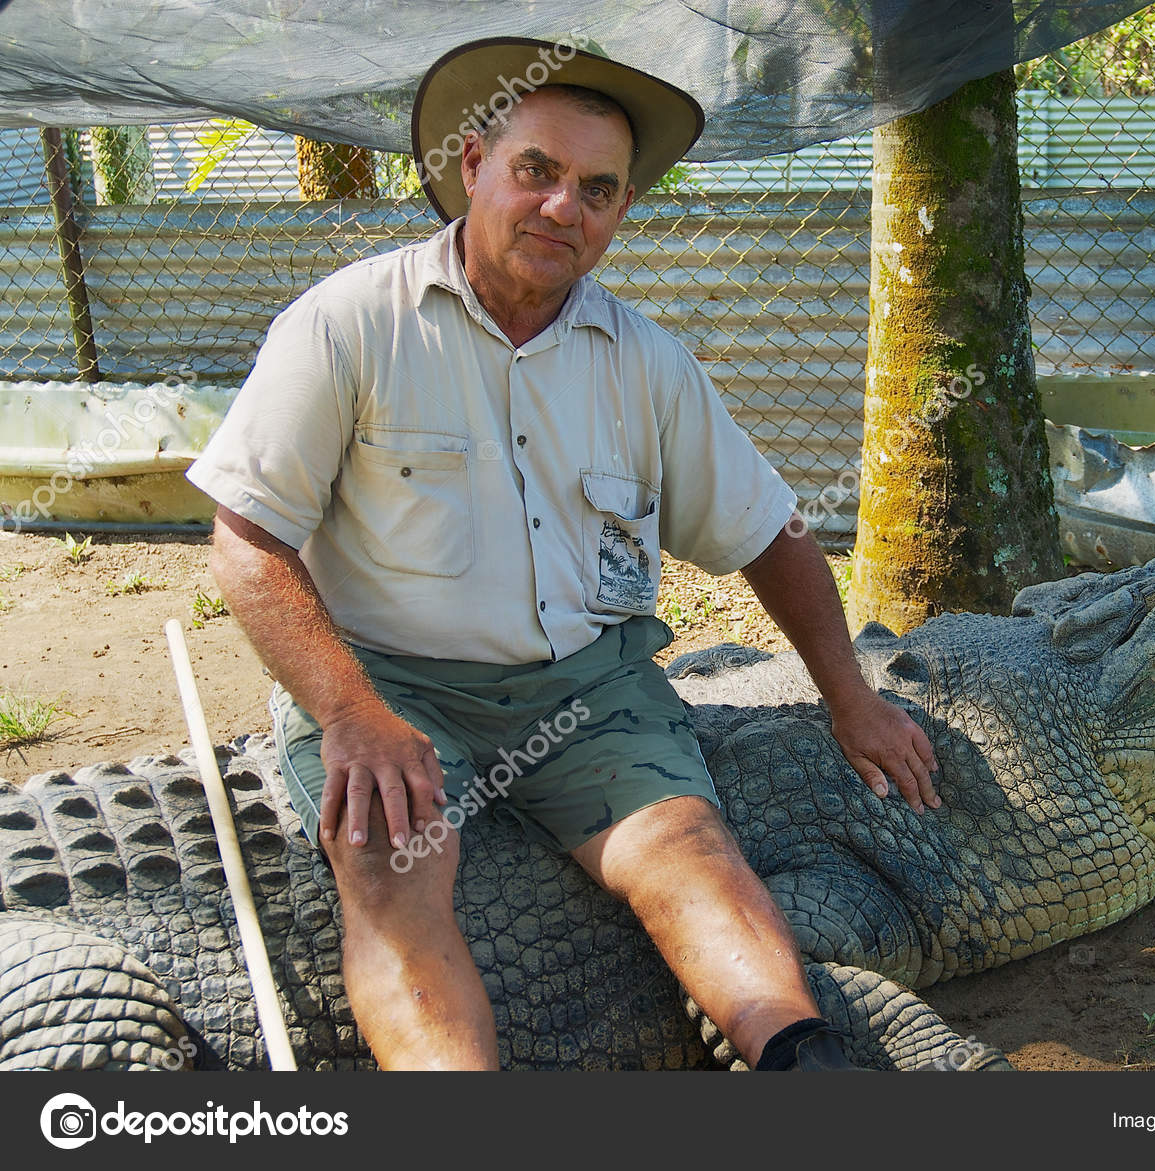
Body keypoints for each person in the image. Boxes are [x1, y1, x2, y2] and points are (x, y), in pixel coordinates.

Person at [186, 37, 940, 1071]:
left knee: (684, 845)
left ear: (620, 210)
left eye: (595, 188)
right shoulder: (348, 325)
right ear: (473, 169)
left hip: (588, 689)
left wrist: (849, 694)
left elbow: (771, 532)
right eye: (535, 170)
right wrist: (352, 712)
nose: (560, 207)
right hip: (391, 683)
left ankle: (802, 1055)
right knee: (395, 862)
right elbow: (246, 537)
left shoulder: (649, 363)